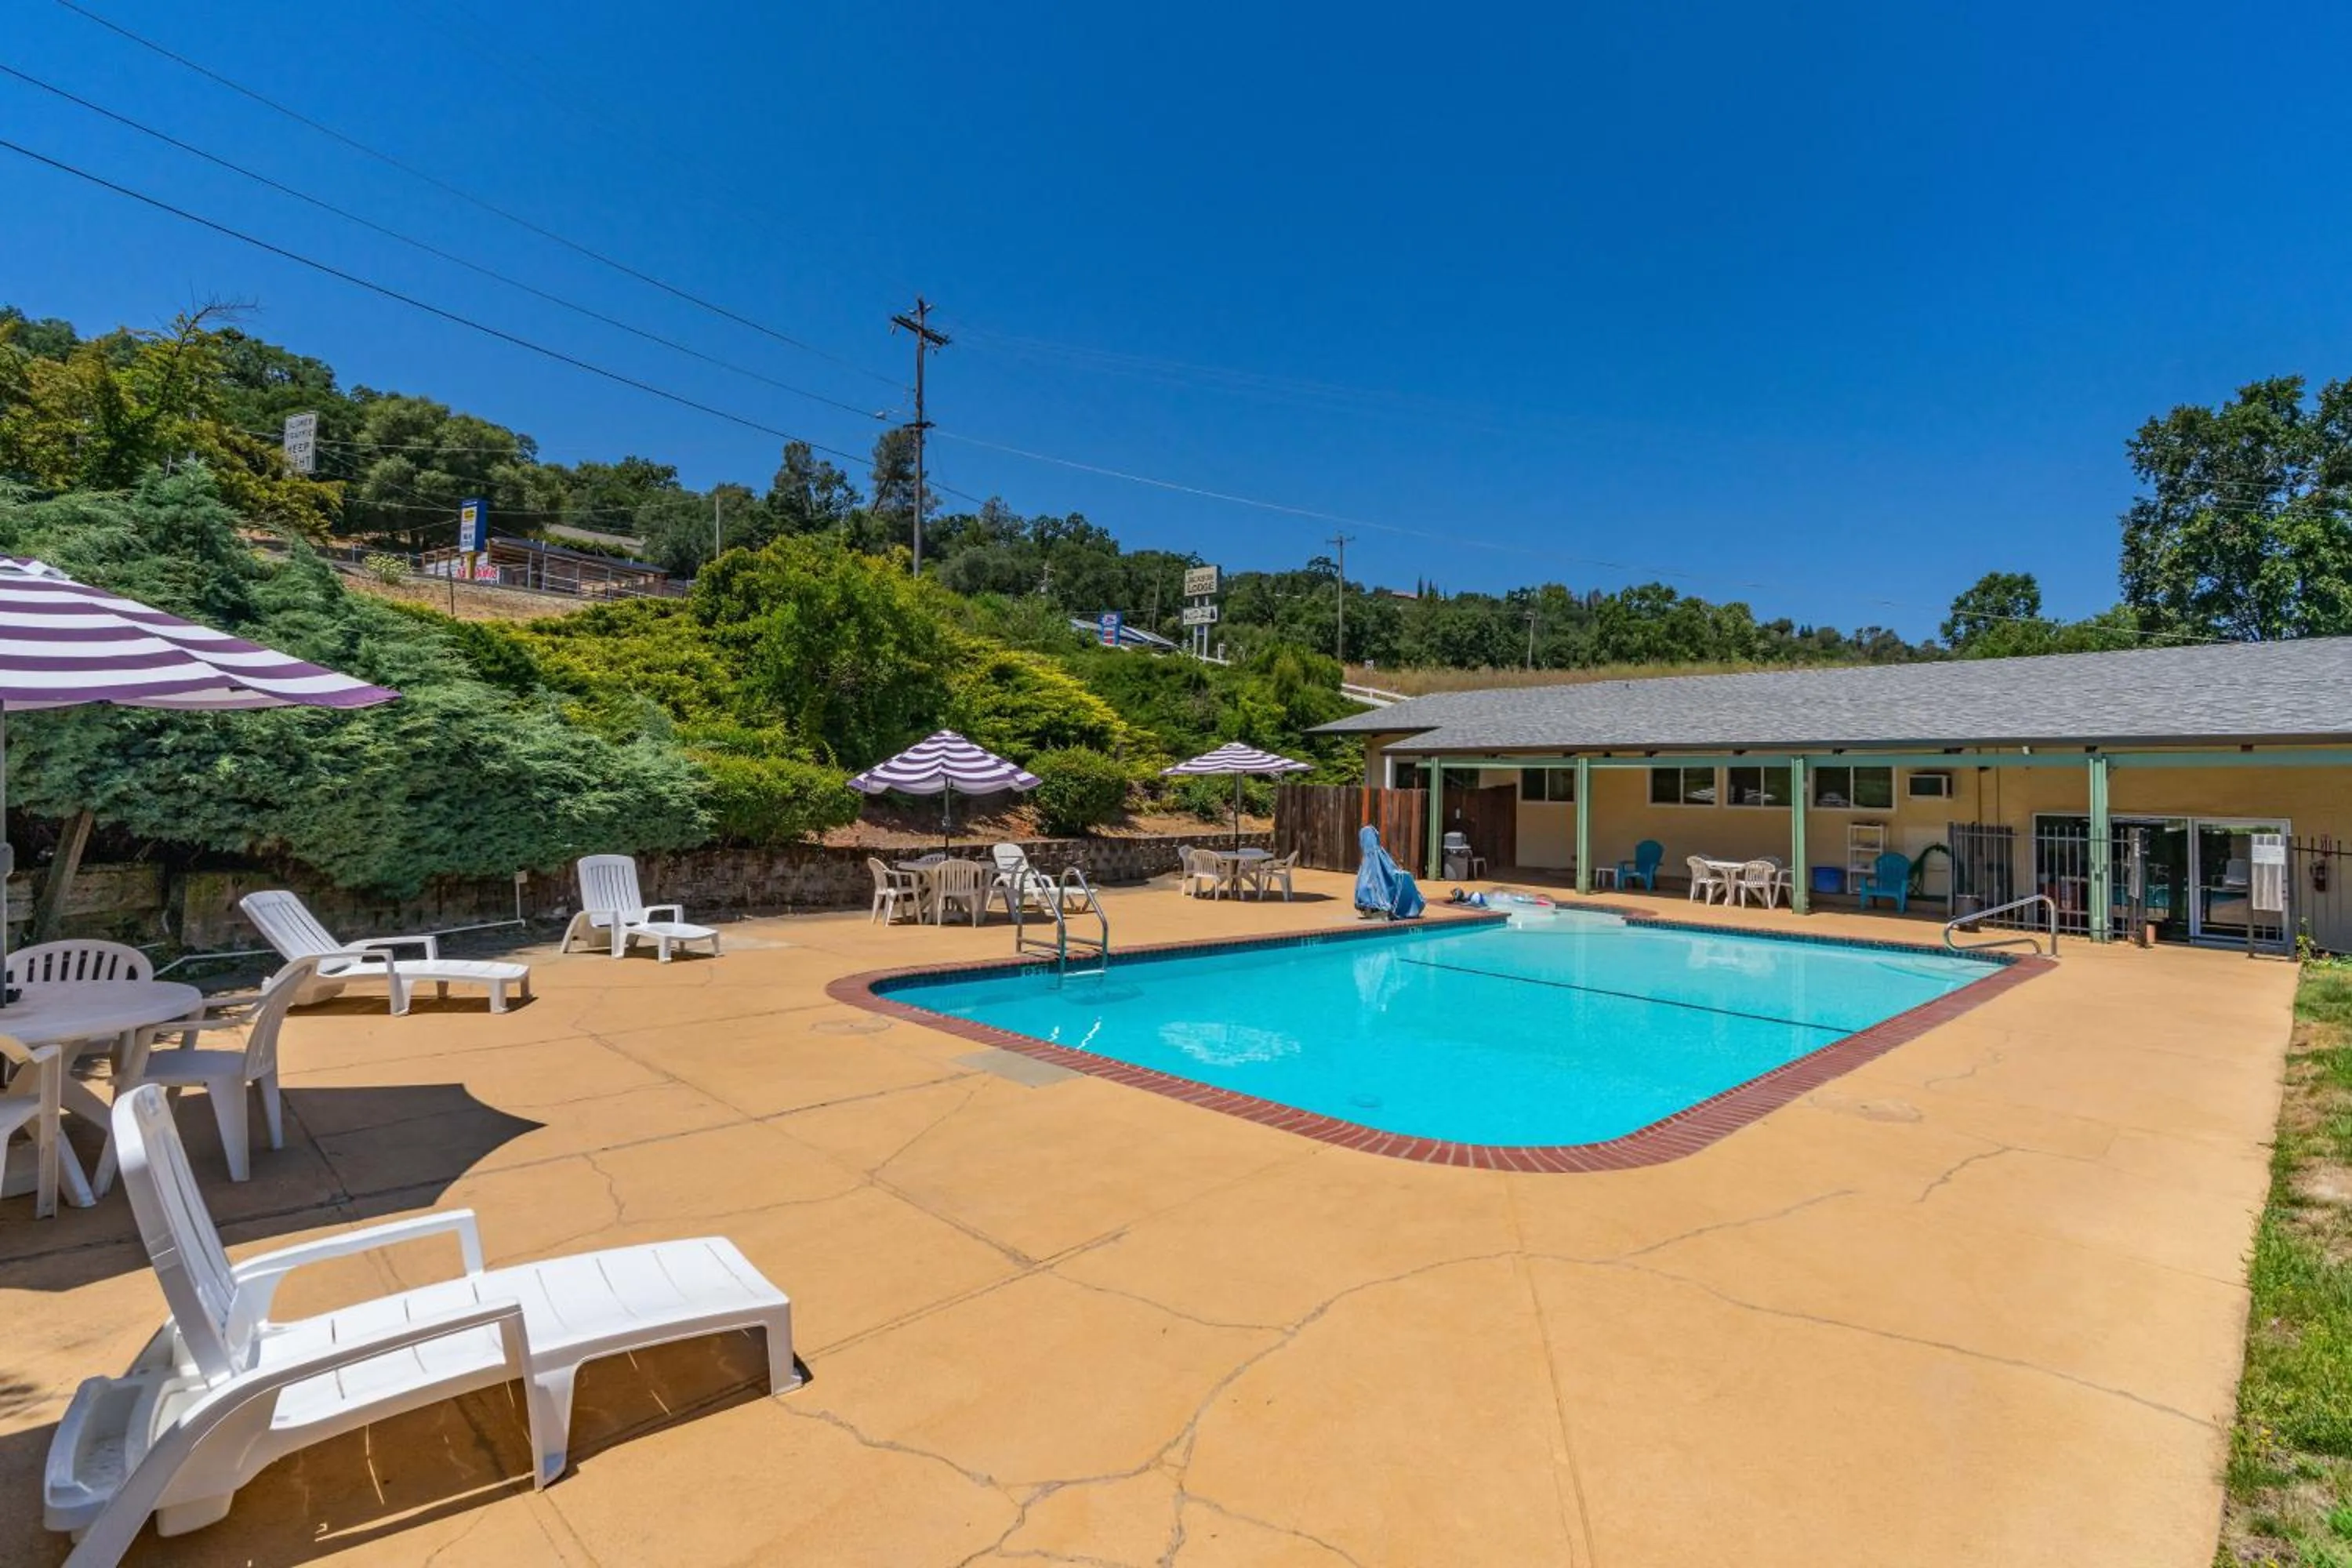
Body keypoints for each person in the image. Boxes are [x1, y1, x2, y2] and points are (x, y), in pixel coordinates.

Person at [1355, 823, 1426, 920]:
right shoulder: (1376, 856)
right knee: (1405, 879)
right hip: (1379, 901)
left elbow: (1387, 869)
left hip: (1375, 902)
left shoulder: (1367, 865)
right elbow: (1388, 870)